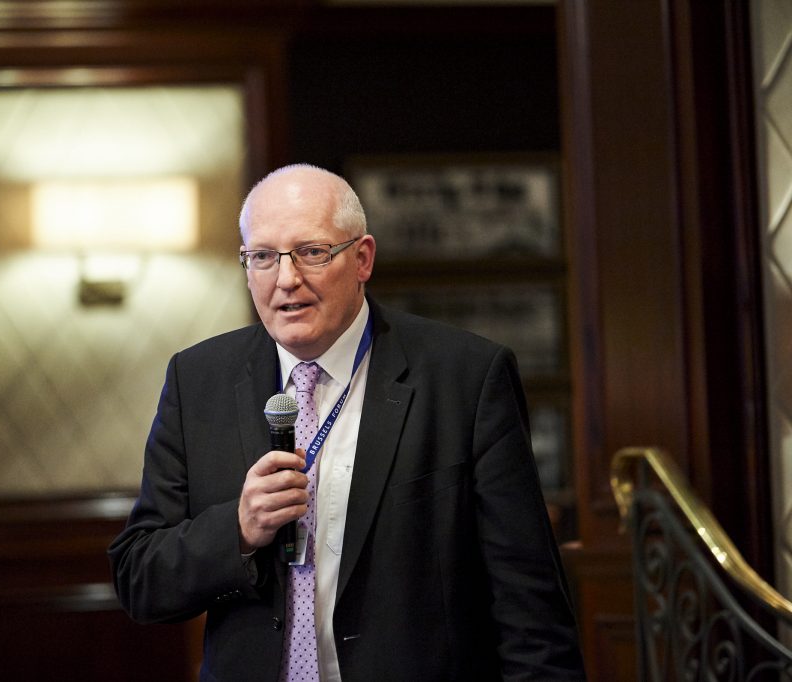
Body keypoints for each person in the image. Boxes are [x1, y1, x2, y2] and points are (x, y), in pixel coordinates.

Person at [109, 164, 586, 681]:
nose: (286, 279)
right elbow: (140, 579)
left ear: (362, 258)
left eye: (311, 252)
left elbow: (529, 608)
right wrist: (239, 530)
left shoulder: (464, 378)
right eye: (264, 257)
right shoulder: (198, 380)